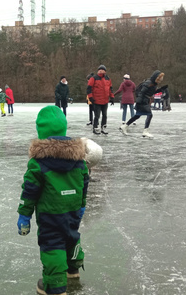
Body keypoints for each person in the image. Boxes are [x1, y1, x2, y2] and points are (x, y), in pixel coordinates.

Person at [16, 106, 89, 295]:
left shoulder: (38, 163)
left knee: (52, 244)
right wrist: (81, 205)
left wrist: (24, 215)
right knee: (71, 235)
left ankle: (55, 286)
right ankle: (73, 269)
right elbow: (84, 182)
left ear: (41, 132)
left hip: (50, 213)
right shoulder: (79, 159)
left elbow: (30, 191)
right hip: (73, 210)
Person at [120, 70, 165, 138]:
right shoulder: (148, 83)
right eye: (160, 78)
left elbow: (151, 92)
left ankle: (125, 126)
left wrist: (160, 90)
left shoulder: (154, 84)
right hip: (142, 101)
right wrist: (139, 100)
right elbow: (142, 92)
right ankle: (145, 131)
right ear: (157, 77)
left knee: (137, 115)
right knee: (149, 115)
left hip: (144, 100)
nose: (161, 80)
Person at [87, 65, 115, 134]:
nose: (101, 71)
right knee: (97, 115)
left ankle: (103, 127)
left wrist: (112, 97)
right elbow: (89, 88)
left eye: (102, 70)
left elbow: (110, 89)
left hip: (105, 100)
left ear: (105, 71)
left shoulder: (107, 78)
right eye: (100, 70)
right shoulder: (94, 78)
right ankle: (95, 127)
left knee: (105, 115)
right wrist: (90, 97)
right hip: (96, 100)